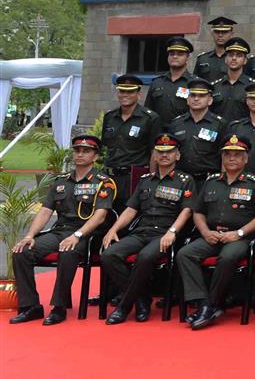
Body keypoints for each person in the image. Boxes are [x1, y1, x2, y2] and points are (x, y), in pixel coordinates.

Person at [8, 135, 116, 326]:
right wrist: (29, 236)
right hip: (60, 232)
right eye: (77, 150)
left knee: (67, 251)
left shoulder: (103, 182)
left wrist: (77, 235)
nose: (80, 154)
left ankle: (59, 307)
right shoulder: (60, 181)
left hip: (87, 235)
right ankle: (31, 306)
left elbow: (100, 216)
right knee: (22, 252)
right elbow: (45, 211)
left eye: (86, 151)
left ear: (95, 156)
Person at [178, 134, 255, 330]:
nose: (232, 158)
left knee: (228, 257)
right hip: (212, 235)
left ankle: (211, 304)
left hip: (239, 238)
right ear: (222, 157)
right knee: (184, 254)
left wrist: (238, 233)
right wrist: (205, 232)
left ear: (245, 159)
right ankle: (203, 302)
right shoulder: (211, 181)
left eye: (237, 155)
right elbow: (198, 211)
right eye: (227, 154)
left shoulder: (254, 183)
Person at [101, 134, 196, 324]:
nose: (164, 156)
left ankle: (124, 307)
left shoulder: (185, 180)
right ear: (154, 156)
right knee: (109, 255)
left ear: (177, 156)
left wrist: (172, 232)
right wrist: (113, 229)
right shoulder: (145, 180)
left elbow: (187, 211)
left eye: (169, 152)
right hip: (142, 231)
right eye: (160, 152)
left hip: (165, 233)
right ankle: (140, 298)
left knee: (145, 257)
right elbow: (131, 209)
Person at [99, 74, 163, 212]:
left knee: (130, 215)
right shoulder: (110, 117)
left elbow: (154, 152)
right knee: (107, 215)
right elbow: (105, 148)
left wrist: (151, 180)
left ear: (138, 94)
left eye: (130, 91)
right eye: (122, 91)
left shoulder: (150, 118)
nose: (125, 95)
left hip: (134, 176)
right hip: (110, 176)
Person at [165, 77, 228, 180]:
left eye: (201, 96)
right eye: (192, 95)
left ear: (210, 100)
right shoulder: (176, 123)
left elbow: (225, 156)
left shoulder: (220, 124)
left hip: (207, 180)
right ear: (187, 99)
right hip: (179, 180)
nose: (196, 99)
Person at [145, 36, 194, 122]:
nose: (175, 56)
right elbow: (148, 111)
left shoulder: (194, 83)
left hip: (183, 132)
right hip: (158, 131)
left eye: (180, 54)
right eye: (172, 54)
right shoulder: (157, 82)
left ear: (188, 57)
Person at [195, 16, 238, 81]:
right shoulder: (203, 59)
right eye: (217, 32)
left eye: (224, 32)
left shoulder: (237, 59)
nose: (220, 35)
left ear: (231, 34)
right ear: (212, 33)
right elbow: (196, 82)